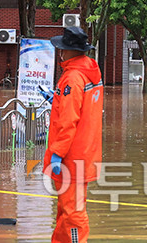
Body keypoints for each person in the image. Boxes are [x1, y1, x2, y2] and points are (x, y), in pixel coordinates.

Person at [44, 26, 104, 243]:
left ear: (70, 51)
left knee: (73, 212)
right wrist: (58, 100)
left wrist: (57, 153)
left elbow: (69, 121)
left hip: (72, 156)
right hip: (86, 152)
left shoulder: (73, 78)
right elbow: (83, 109)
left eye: (62, 49)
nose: (60, 52)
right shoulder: (90, 72)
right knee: (66, 209)